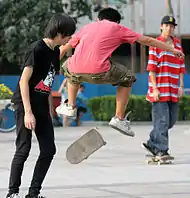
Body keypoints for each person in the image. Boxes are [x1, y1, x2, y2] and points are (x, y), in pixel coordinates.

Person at [56, 8, 184, 137]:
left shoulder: (87, 27)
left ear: (98, 19)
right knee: (128, 78)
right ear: (116, 21)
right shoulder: (118, 28)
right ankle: (119, 118)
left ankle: (70, 106)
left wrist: (48, 67)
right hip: (100, 70)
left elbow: (64, 48)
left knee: (69, 67)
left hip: (76, 69)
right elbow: (148, 41)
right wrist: (172, 50)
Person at [6, 14, 76, 198]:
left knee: (48, 149)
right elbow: (23, 82)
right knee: (23, 148)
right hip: (24, 105)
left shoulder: (54, 52)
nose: (69, 38)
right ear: (59, 32)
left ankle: (33, 194)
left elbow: (47, 82)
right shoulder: (36, 49)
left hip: (41, 107)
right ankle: (12, 193)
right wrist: (28, 113)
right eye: (68, 35)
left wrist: (48, 111)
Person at [142, 16, 185, 158]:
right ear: (161, 26)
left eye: (172, 26)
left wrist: (181, 86)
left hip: (173, 89)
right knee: (162, 120)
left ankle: (152, 142)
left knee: (170, 121)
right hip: (160, 89)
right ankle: (161, 150)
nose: (169, 28)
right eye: (166, 26)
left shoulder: (177, 44)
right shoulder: (156, 44)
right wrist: (154, 88)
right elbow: (152, 68)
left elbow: (181, 67)